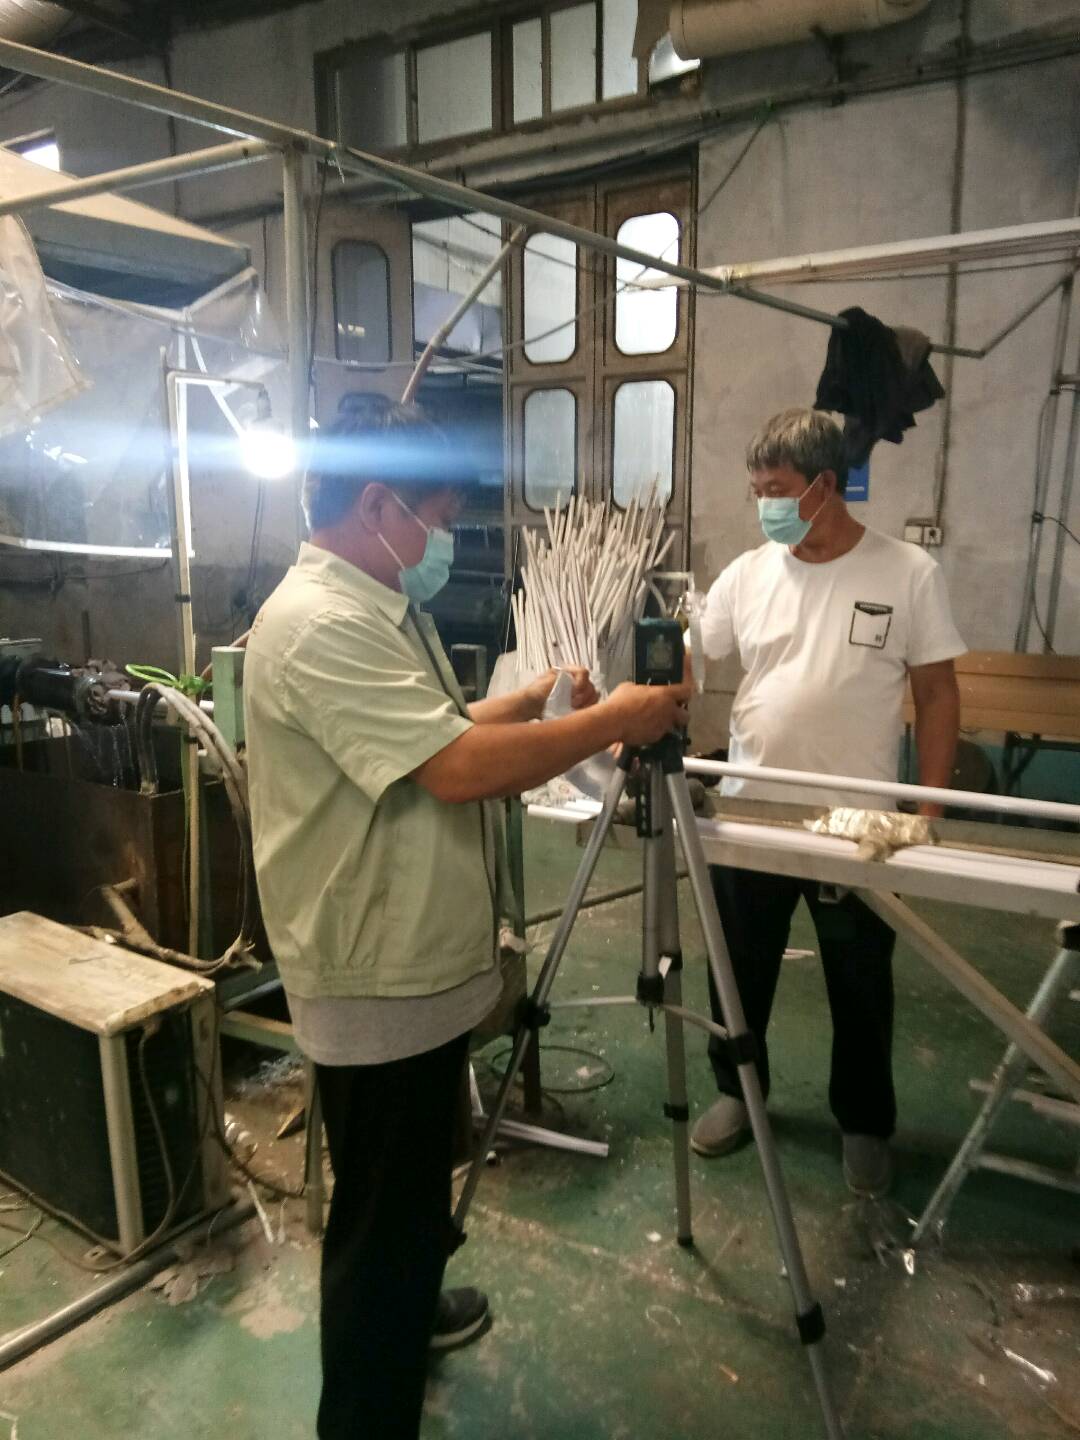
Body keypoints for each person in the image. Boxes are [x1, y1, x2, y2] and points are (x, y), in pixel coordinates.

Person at [244, 401, 690, 1440]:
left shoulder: (375, 605)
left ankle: (411, 1310)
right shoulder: (321, 624)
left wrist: (530, 701)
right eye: (436, 519)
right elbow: (452, 768)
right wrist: (611, 719)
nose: (439, 541)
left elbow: (428, 733)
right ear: (376, 504)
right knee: (379, 1216)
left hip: (415, 962)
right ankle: (367, 1410)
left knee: (407, 1196)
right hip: (374, 972)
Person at [690, 407, 964, 1198]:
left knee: (860, 978)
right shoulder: (750, 574)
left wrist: (927, 814)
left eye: (775, 489)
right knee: (738, 970)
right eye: (755, 490)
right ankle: (737, 1090)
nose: (763, 505)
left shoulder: (906, 573)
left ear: (824, 485)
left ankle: (866, 1122)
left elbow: (938, 694)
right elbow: (692, 654)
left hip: (859, 822)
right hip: (752, 808)